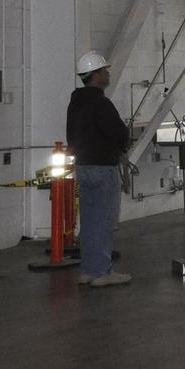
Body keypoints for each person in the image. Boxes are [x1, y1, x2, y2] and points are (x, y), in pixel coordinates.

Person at [66, 51, 132, 287]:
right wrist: (123, 143)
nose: (108, 73)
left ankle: (89, 269)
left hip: (83, 167)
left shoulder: (75, 102)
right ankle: (103, 272)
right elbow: (119, 134)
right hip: (103, 167)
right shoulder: (101, 103)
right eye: (105, 70)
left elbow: (71, 136)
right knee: (104, 221)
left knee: (90, 220)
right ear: (96, 75)